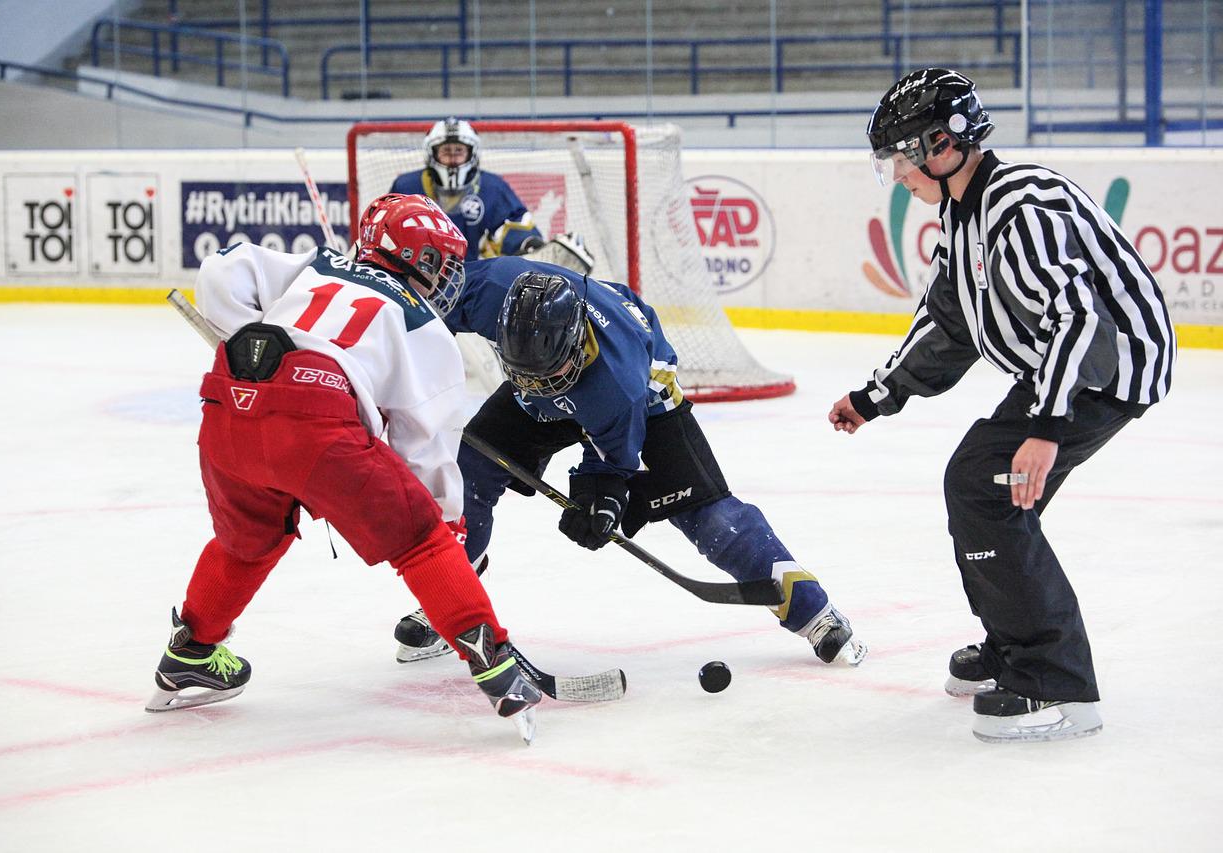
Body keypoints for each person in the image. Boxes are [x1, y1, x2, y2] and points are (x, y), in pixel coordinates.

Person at [829, 68, 1175, 742]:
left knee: (985, 484)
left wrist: (1045, 429)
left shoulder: (1019, 204)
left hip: (1105, 367)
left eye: (902, 157)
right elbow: (948, 324)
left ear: (942, 144)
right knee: (992, 488)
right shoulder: (962, 215)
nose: (897, 174)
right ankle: (1016, 647)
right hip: (1065, 366)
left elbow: (1078, 318)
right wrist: (878, 395)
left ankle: (1058, 684)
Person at [146, 193, 542, 743]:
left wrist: (254, 339)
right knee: (423, 540)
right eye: (442, 262)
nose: (448, 276)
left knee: (247, 542)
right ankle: (497, 666)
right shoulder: (424, 325)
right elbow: (425, 446)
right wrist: (446, 525)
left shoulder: (316, 264)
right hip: (317, 425)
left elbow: (222, 268)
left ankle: (189, 652)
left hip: (228, 400)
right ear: (418, 259)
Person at [392, 255, 867, 668]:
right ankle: (453, 596)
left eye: (551, 374)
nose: (541, 387)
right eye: (523, 371)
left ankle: (812, 611)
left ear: (576, 345)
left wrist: (599, 503)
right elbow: (417, 308)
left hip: (643, 393)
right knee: (469, 467)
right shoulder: (495, 290)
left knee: (703, 510)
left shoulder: (617, 388)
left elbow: (610, 466)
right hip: (552, 367)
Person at [389, 117, 545, 260]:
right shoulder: (406, 187)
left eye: (459, 151)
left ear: (472, 153)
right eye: (446, 151)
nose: (453, 158)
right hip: (418, 279)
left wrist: (527, 244)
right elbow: (389, 233)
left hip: (475, 279)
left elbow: (517, 227)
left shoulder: (493, 188)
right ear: (432, 154)